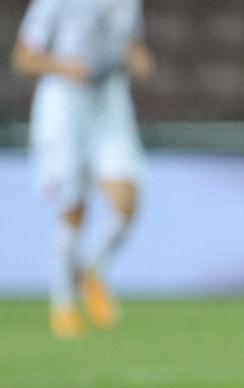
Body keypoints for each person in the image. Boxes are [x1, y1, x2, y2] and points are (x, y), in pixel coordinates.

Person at [12, 0, 154, 339]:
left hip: (109, 103)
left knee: (127, 201)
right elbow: (23, 57)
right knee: (74, 209)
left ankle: (91, 272)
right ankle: (63, 307)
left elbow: (129, 43)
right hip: (64, 107)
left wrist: (137, 58)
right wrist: (64, 66)